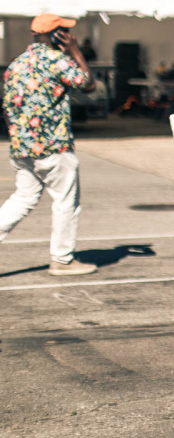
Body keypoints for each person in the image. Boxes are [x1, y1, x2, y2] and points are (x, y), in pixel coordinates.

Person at [0, 14, 98, 275]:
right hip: (53, 147)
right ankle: (62, 259)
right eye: (65, 31)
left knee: (22, 199)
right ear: (56, 35)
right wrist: (76, 51)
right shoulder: (57, 61)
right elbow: (88, 84)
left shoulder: (16, 64)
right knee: (66, 202)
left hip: (22, 147)